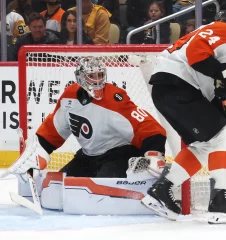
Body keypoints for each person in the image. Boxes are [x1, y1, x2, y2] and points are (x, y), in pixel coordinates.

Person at [141, 1, 226, 224]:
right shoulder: (223, 30)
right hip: (177, 86)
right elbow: (197, 56)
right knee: (224, 136)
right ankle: (219, 203)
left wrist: (223, 113)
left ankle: (161, 191)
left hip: (173, 90)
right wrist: (222, 76)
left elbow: (212, 86)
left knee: (205, 143)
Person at [6, 57, 167, 179]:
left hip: (119, 155)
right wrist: (39, 151)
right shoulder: (69, 97)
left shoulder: (114, 97)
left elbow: (150, 128)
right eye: (92, 76)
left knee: (103, 186)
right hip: (88, 156)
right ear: (81, 77)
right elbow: (53, 130)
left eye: (100, 75)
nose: (97, 80)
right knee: (58, 184)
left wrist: (154, 154)